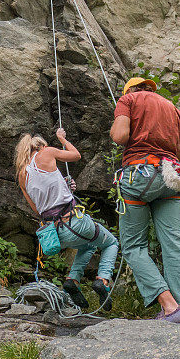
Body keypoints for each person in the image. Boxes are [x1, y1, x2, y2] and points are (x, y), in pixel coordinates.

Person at [110, 77, 180, 323]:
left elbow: (119, 136)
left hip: (140, 174)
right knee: (174, 240)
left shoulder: (127, 99)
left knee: (133, 246)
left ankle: (169, 306)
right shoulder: (174, 110)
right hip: (170, 176)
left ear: (131, 90)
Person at [15, 128, 119, 311]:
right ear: (41, 146)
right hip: (75, 222)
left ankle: (73, 280)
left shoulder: (22, 175)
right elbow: (76, 155)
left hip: (56, 233)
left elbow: (37, 208)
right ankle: (103, 279)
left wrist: (64, 187)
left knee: (88, 245)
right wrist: (62, 139)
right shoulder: (46, 152)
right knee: (111, 243)